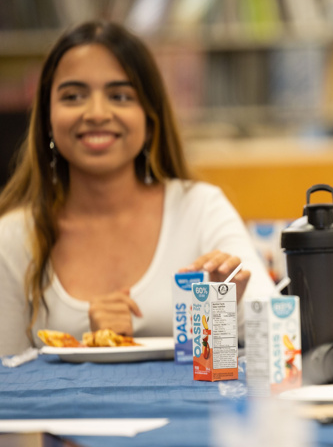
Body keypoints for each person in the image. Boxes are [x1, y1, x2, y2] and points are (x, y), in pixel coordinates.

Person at [0, 21, 275, 356]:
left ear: (149, 117)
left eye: (119, 96)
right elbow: (8, 382)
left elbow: (275, 331)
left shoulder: (200, 208)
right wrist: (92, 343)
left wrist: (219, 310)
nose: (97, 113)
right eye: (73, 96)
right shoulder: (13, 237)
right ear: (47, 118)